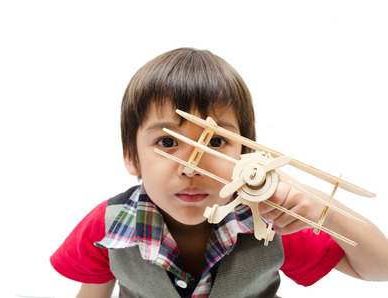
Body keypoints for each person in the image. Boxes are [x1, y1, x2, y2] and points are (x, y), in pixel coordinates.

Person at [50, 48, 388, 298]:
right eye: (168, 141)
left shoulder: (271, 221)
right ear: (131, 156)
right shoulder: (107, 225)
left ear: (246, 154)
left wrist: (319, 207)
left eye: (216, 141)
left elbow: (380, 269)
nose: (191, 167)